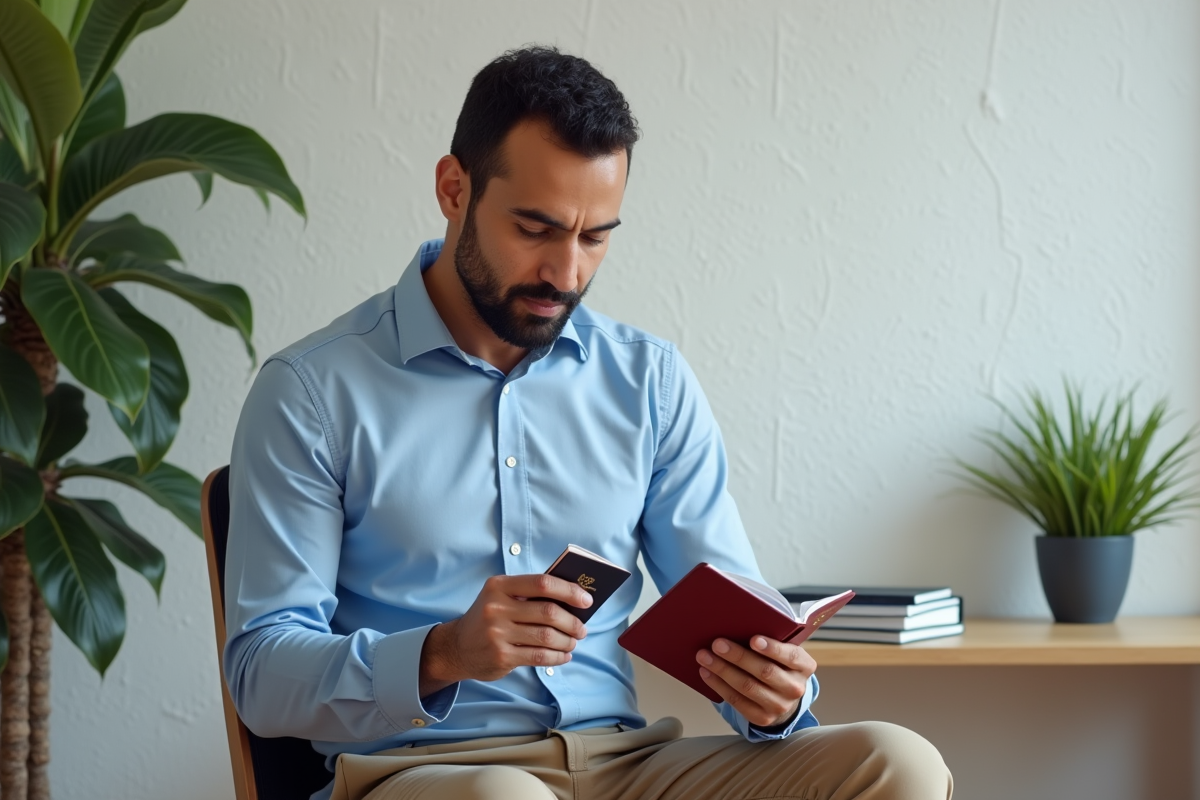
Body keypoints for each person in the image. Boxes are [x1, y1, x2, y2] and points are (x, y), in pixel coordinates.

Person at [224, 45, 952, 800]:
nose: (566, 273)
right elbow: (261, 676)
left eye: (595, 236)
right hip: (427, 772)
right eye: (535, 229)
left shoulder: (650, 382)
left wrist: (773, 696)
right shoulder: (310, 392)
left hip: (625, 766)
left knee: (897, 762)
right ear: (453, 188)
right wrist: (441, 653)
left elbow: (735, 615)